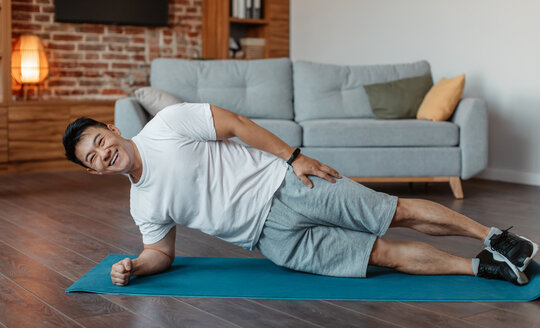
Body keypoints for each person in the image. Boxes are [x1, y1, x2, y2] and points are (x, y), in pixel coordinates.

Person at [62, 102, 537, 287]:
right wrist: (134, 266)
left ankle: (494, 237)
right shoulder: (140, 203)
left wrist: (294, 158)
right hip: (273, 241)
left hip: (289, 184)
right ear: (93, 171)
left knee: (396, 212)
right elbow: (159, 252)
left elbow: (237, 125)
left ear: (112, 129)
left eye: (100, 143)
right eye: (92, 159)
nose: (103, 155)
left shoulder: (164, 126)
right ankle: (481, 266)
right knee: (382, 255)